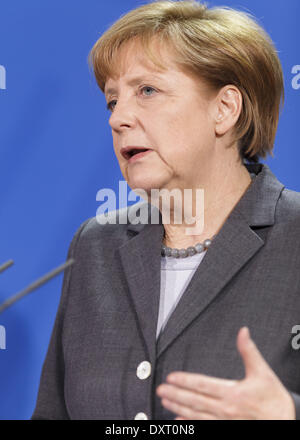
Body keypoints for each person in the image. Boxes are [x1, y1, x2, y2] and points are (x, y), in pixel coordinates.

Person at [32, 0, 300, 420]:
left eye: (147, 91)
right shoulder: (95, 246)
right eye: (112, 101)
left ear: (225, 109)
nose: (118, 118)